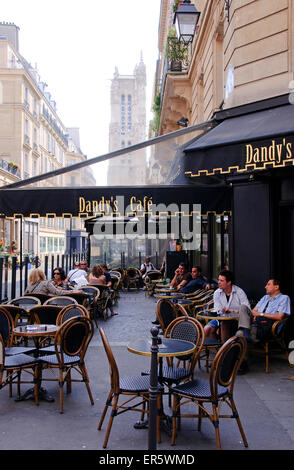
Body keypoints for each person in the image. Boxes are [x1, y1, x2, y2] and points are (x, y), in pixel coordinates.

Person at [236, 278, 291, 345]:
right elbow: (254, 311)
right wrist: (255, 315)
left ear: (276, 287)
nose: (265, 287)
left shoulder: (284, 298)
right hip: (255, 322)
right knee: (243, 307)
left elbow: (280, 316)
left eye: (268, 284)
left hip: (267, 325)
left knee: (239, 335)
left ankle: (246, 334)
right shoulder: (265, 297)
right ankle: (246, 333)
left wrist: (260, 314)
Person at [204, 269, 250, 342]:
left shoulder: (239, 292)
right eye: (218, 280)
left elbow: (247, 309)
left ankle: (226, 350)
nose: (218, 282)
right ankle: (218, 350)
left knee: (224, 325)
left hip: (236, 320)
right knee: (207, 329)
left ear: (229, 282)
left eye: (221, 281)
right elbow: (218, 310)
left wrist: (233, 311)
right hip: (221, 319)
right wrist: (219, 324)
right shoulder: (217, 293)